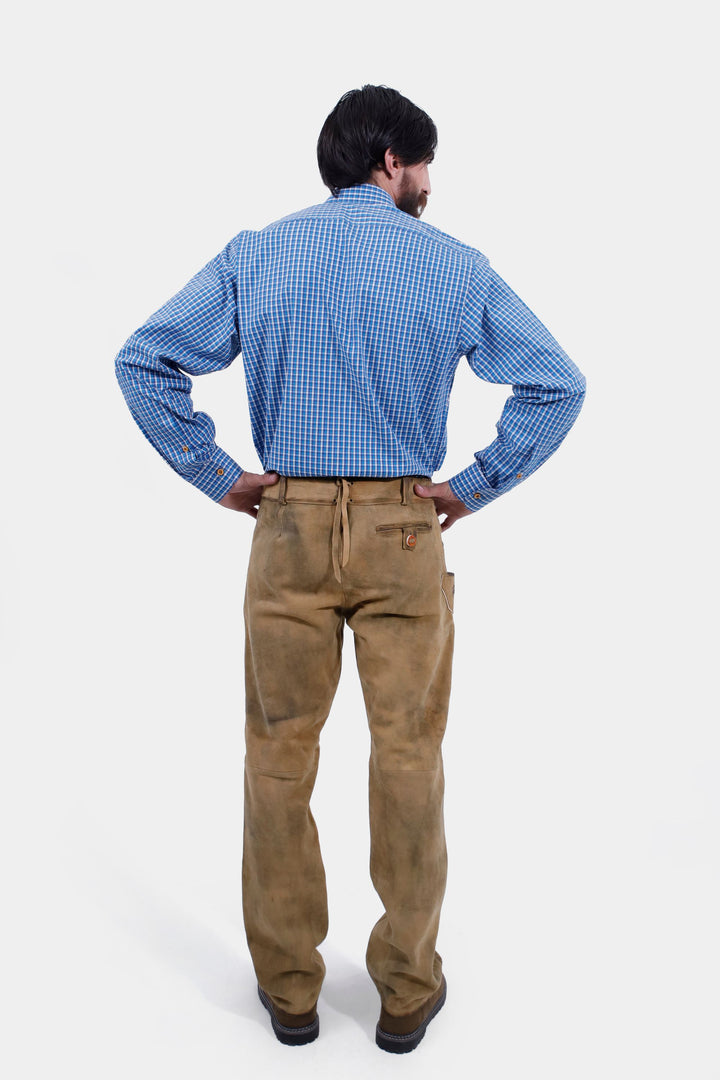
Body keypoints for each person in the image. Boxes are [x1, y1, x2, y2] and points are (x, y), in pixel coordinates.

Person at [114, 83, 586, 1054]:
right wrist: (471, 487)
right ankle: (407, 990)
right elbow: (555, 381)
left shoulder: (260, 252)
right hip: (405, 528)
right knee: (409, 758)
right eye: (423, 165)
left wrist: (218, 475)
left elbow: (147, 357)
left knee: (277, 758)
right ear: (390, 163)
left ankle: (289, 989)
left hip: (284, 527)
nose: (428, 183)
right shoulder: (453, 267)